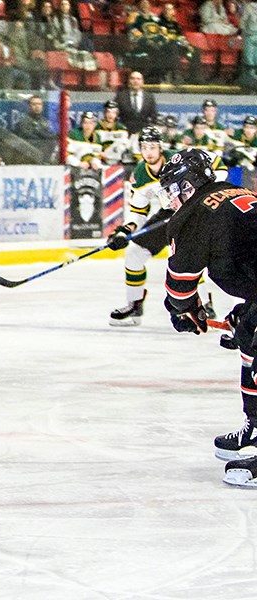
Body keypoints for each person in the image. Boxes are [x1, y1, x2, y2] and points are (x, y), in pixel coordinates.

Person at [156, 149, 257, 487]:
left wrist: (184, 310)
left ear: (188, 185)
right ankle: (256, 426)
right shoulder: (235, 191)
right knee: (248, 335)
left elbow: (181, 287)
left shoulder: (192, 215)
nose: (170, 199)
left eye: (172, 189)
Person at [108, 127, 226, 325]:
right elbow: (138, 212)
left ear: (161, 147)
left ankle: (205, 305)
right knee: (134, 253)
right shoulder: (140, 174)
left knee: (187, 256)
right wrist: (124, 231)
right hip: (170, 212)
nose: (149, 152)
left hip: (194, 212)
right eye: (144, 147)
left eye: (153, 146)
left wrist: (206, 193)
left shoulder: (179, 158)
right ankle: (134, 305)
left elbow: (218, 164)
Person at [13, 94, 57, 164]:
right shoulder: (24, 122)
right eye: (34, 104)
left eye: (39, 104)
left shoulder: (44, 121)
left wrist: (41, 133)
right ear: (29, 106)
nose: (37, 106)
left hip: (44, 155)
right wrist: (43, 135)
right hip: (29, 155)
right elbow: (29, 138)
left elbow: (50, 135)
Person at [114, 70, 158, 135]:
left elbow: (154, 117)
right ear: (129, 81)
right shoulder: (120, 97)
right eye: (132, 78)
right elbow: (115, 116)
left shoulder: (149, 97)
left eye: (138, 79)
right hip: (125, 133)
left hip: (143, 134)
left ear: (142, 82)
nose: (135, 81)